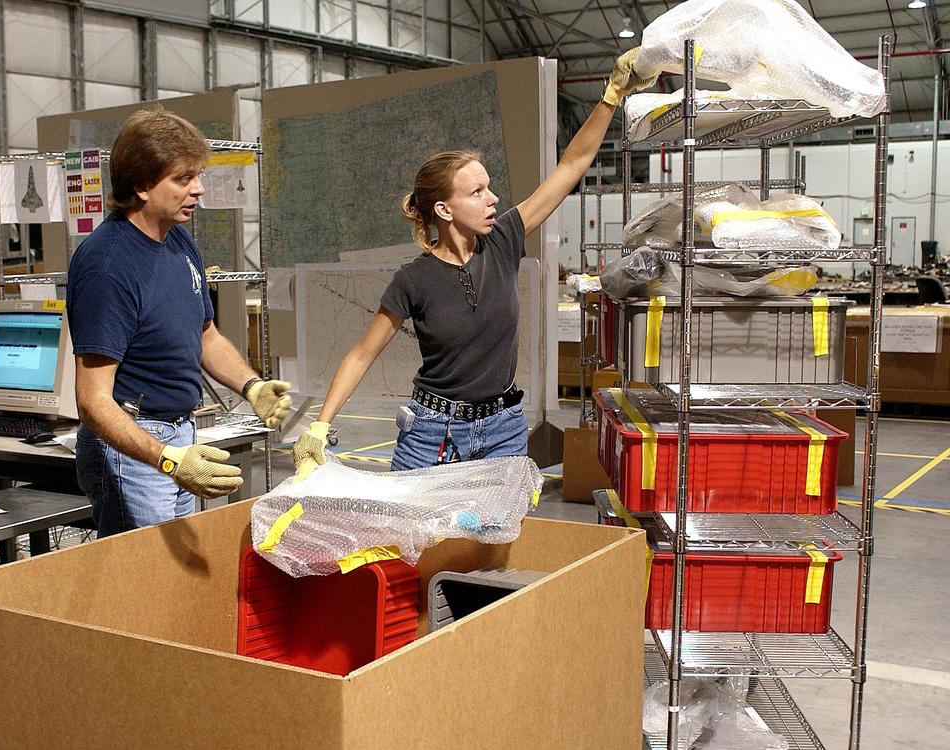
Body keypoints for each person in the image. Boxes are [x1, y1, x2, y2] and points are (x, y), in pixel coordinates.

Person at [294, 50, 658, 475]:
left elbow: (571, 165)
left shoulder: (504, 239)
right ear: (445, 210)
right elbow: (361, 355)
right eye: (477, 192)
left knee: (493, 539)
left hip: (503, 428)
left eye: (489, 188)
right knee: (412, 538)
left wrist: (610, 97)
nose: (493, 199)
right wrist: (319, 427)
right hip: (433, 433)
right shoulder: (413, 280)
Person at [68, 108, 291, 535]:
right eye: (184, 178)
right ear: (141, 185)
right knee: (144, 584)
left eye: (198, 175)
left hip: (179, 432)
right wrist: (167, 459)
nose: (199, 189)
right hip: (133, 446)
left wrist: (252, 385)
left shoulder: (177, 240)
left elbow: (204, 334)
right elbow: (93, 400)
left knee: (175, 581)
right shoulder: (107, 266)